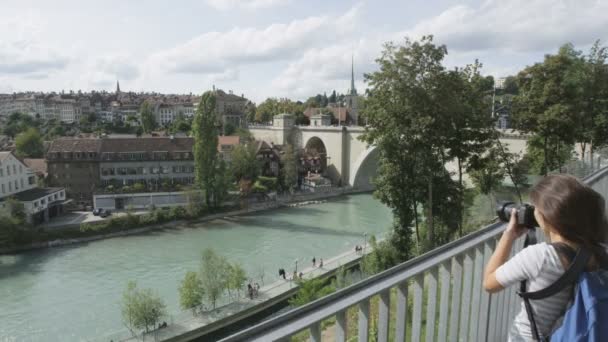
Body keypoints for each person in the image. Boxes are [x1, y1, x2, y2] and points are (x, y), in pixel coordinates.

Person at [483, 174, 608, 341]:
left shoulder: (540, 256)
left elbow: (489, 284)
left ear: (546, 216)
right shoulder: (600, 252)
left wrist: (509, 235)